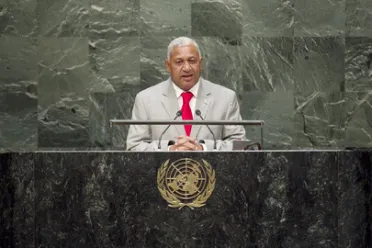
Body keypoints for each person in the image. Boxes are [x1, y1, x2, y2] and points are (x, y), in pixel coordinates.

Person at [126, 37, 246, 151]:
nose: (187, 68)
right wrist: (169, 149)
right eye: (179, 62)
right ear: (168, 66)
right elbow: (134, 146)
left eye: (192, 61)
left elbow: (239, 145)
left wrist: (203, 148)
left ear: (200, 63)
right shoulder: (146, 99)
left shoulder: (225, 97)